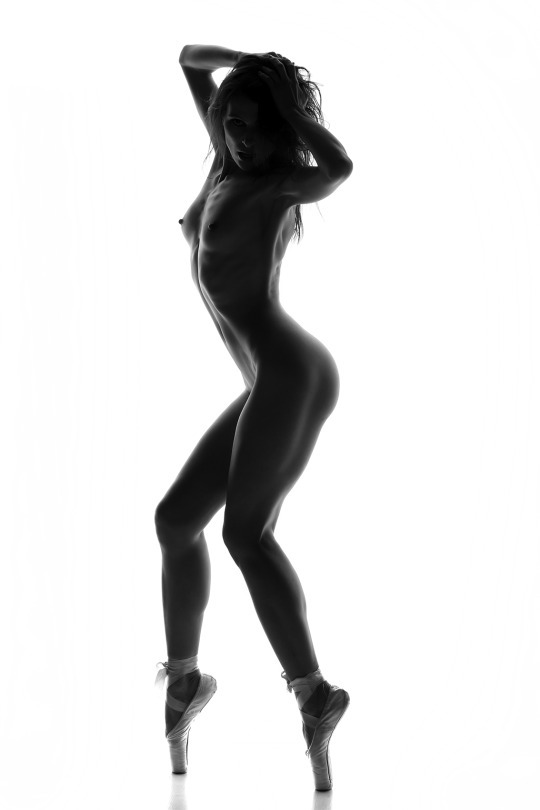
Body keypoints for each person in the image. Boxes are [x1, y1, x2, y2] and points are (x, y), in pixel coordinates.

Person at [154, 43, 353, 791]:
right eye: (230, 123)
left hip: (291, 372)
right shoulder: (225, 165)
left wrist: (287, 103)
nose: (238, 136)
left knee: (244, 533)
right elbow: (188, 60)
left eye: (253, 127)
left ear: (278, 131)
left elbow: (339, 168)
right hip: (263, 381)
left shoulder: (276, 184)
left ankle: (314, 694)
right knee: (176, 520)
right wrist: (252, 69)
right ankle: (184, 681)